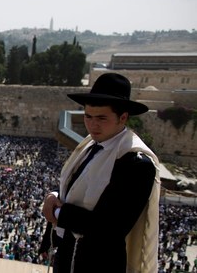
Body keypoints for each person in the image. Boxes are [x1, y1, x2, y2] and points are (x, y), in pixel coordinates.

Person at [41, 73, 160, 273]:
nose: (92, 125)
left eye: (101, 118)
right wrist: (54, 196)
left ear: (123, 117)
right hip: (68, 255)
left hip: (98, 263)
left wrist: (57, 213)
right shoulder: (90, 147)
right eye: (88, 116)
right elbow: (77, 187)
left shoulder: (136, 163)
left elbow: (111, 228)